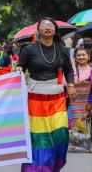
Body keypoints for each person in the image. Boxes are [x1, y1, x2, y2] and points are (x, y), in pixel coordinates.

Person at [17, 17, 76, 171]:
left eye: (51, 25)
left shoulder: (62, 49)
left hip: (58, 99)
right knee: (40, 137)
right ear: (39, 30)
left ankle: (54, 166)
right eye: (44, 26)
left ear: (55, 30)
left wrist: (70, 85)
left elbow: (69, 70)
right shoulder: (29, 49)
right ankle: (37, 169)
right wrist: (18, 70)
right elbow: (20, 69)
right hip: (35, 100)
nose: (48, 28)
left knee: (60, 135)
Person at [67, 47, 91, 151]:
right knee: (77, 121)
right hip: (75, 99)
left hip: (89, 98)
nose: (81, 57)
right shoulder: (72, 69)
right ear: (75, 58)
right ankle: (75, 141)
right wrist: (80, 83)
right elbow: (66, 82)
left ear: (88, 56)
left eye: (83, 55)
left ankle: (89, 144)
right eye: (79, 55)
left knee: (89, 121)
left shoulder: (91, 68)